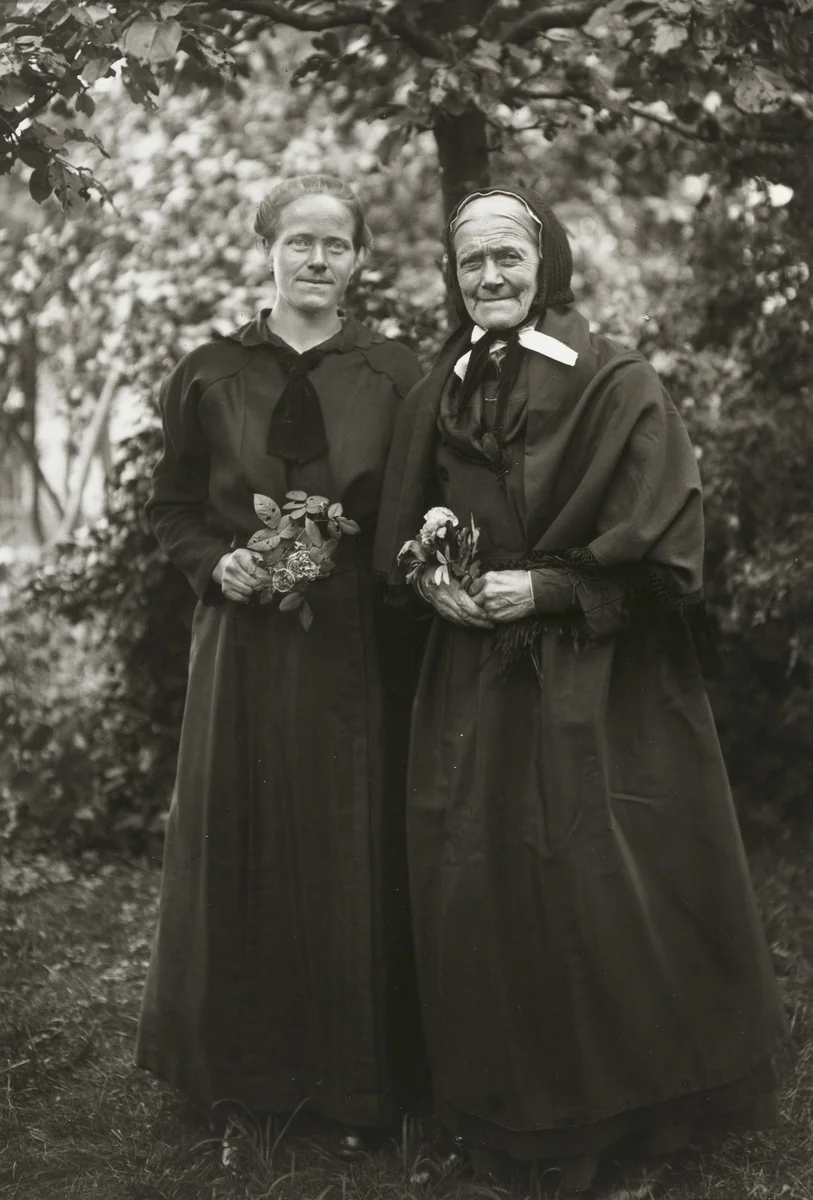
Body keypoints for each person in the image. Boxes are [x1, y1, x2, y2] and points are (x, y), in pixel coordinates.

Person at [373, 186, 789, 1192]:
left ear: (545, 262)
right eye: (473, 263)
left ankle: (629, 1120)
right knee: (488, 891)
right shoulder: (444, 384)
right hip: (476, 680)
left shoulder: (616, 379)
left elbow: (671, 560)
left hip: (598, 690)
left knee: (594, 890)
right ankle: (513, 1115)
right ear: (453, 273)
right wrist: (433, 576)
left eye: (509, 258)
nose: (492, 279)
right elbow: (408, 521)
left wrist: (548, 587)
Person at [136, 174, 424, 1141]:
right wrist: (218, 564)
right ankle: (239, 1080)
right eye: (296, 241)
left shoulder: (393, 373)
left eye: (333, 244)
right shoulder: (211, 373)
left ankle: (355, 1088)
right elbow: (171, 508)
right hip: (241, 643)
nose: (314, 259)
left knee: (349, 834)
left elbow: (415, 508)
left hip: (352, 647)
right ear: (265, 249)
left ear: (357, 261)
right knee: (244, 830)